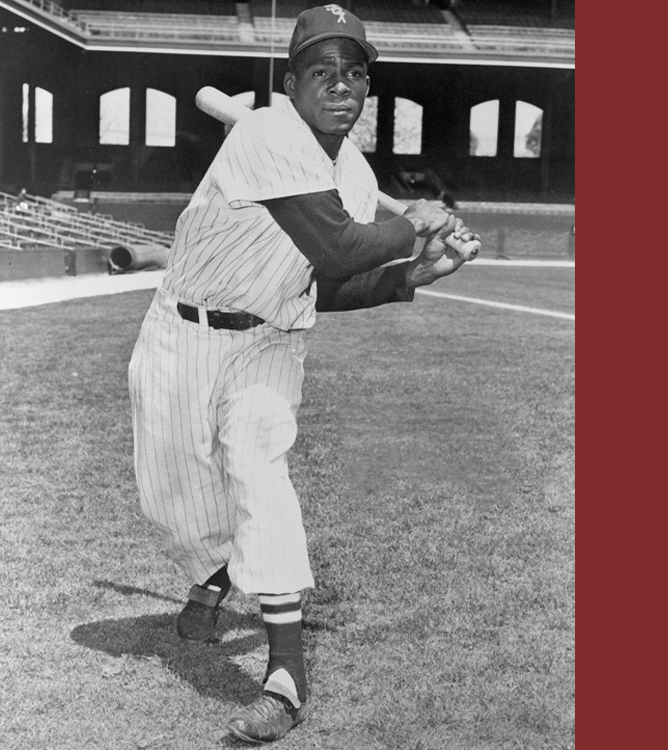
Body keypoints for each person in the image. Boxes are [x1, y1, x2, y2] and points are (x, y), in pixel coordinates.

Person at [127, 4, 478, 743]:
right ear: (291, 84)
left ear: (367, 91)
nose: (341, 84)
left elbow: (329, 282)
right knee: (172, 494)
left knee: (260, 469)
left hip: (269, 343)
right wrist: (414, 220)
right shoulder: (263, 130)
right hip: (180, 331)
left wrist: (418, 273)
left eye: (355, 72)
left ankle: (285, 679)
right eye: (322, 71)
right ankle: (220, 567)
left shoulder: (352, 174)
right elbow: (345, 245)